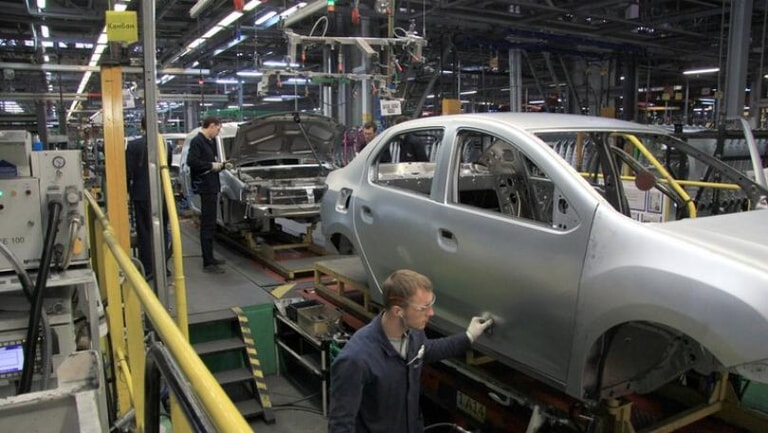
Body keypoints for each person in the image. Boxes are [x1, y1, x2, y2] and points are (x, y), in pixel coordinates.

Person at [328, 269, 494, 433]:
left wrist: (469, 336)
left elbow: (429, 350)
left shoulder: (413, 333)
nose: (431, 313)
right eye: (423, 308)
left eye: (431, 304)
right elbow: (341, 425)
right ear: (398, 311)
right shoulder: (356, 359)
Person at [125, 116, 172, 281]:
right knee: (162, 230)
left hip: (141, 194)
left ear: (142, 127)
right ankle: (163, 266)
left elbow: (128, 172)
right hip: (162, 194)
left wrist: (127, 191)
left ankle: (148, 267)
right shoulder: (166, 145)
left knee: (144, 232)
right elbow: (167, 168)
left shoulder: (133, 146)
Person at [185, 116, 226, 274]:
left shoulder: (209, 142)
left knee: (211, 224)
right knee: (207, 225)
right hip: (205, 187)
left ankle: (211, 258)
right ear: (212, 125)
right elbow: (192, 161)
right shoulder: (198, 141)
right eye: (218, 128)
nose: (218, 132)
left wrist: (221, 165)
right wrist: (211, 165)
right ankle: (208, 263)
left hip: (211, 187)